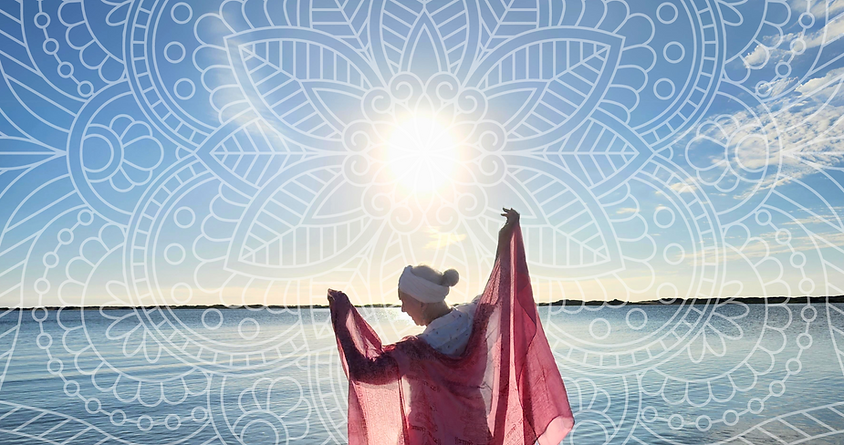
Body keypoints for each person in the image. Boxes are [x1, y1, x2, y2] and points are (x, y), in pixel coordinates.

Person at [328, 208, 573, 444]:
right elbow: (502, 283)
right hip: (476, 434)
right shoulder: (476, 318)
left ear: (422, 302)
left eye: (404, 301)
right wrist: (506, 238)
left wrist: (342, 318)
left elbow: (364, 372)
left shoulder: (416, 352)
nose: (402, 308)